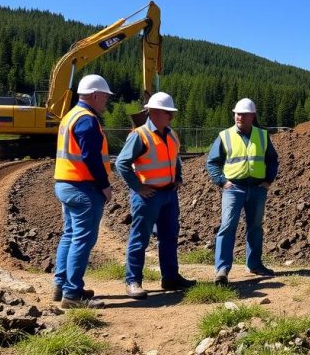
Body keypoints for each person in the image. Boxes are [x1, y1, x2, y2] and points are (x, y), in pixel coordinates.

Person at [114, 92, 195, 299]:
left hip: (169, 194)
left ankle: (170, 278)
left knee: (169, 237)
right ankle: (133, 281)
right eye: (167, 112)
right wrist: (138, 187)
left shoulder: (171, 134)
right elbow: (121, 164)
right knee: (139, 238)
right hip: (147, 196)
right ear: (155, 112)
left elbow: (175, 158)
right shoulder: (139, 135)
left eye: (170, 113)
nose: (170, 116)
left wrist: (178, 177)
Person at [53, 74, 113, 309]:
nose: (106, 102)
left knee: (69, 235)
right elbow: (90, 157)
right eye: (105, 97)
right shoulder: (87, 120)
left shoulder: (70, 116)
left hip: (66, 183)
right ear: (95, 95)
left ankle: (62, 285)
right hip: (83, 186)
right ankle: (72, 294)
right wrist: (105, 185)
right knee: (82, 239)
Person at [206, 98, 279, 285]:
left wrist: (268, 181)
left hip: (257, 189)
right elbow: (212, 162)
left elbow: (272, 159)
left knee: (255, 227)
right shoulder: (225, 136)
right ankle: (221, 270)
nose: (240, 117)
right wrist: (222, 182)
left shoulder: (262, 136)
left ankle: (254, 264)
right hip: (234, 189)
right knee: (227, 227)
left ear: (252, 116)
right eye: (237, 113)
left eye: (244, 114)